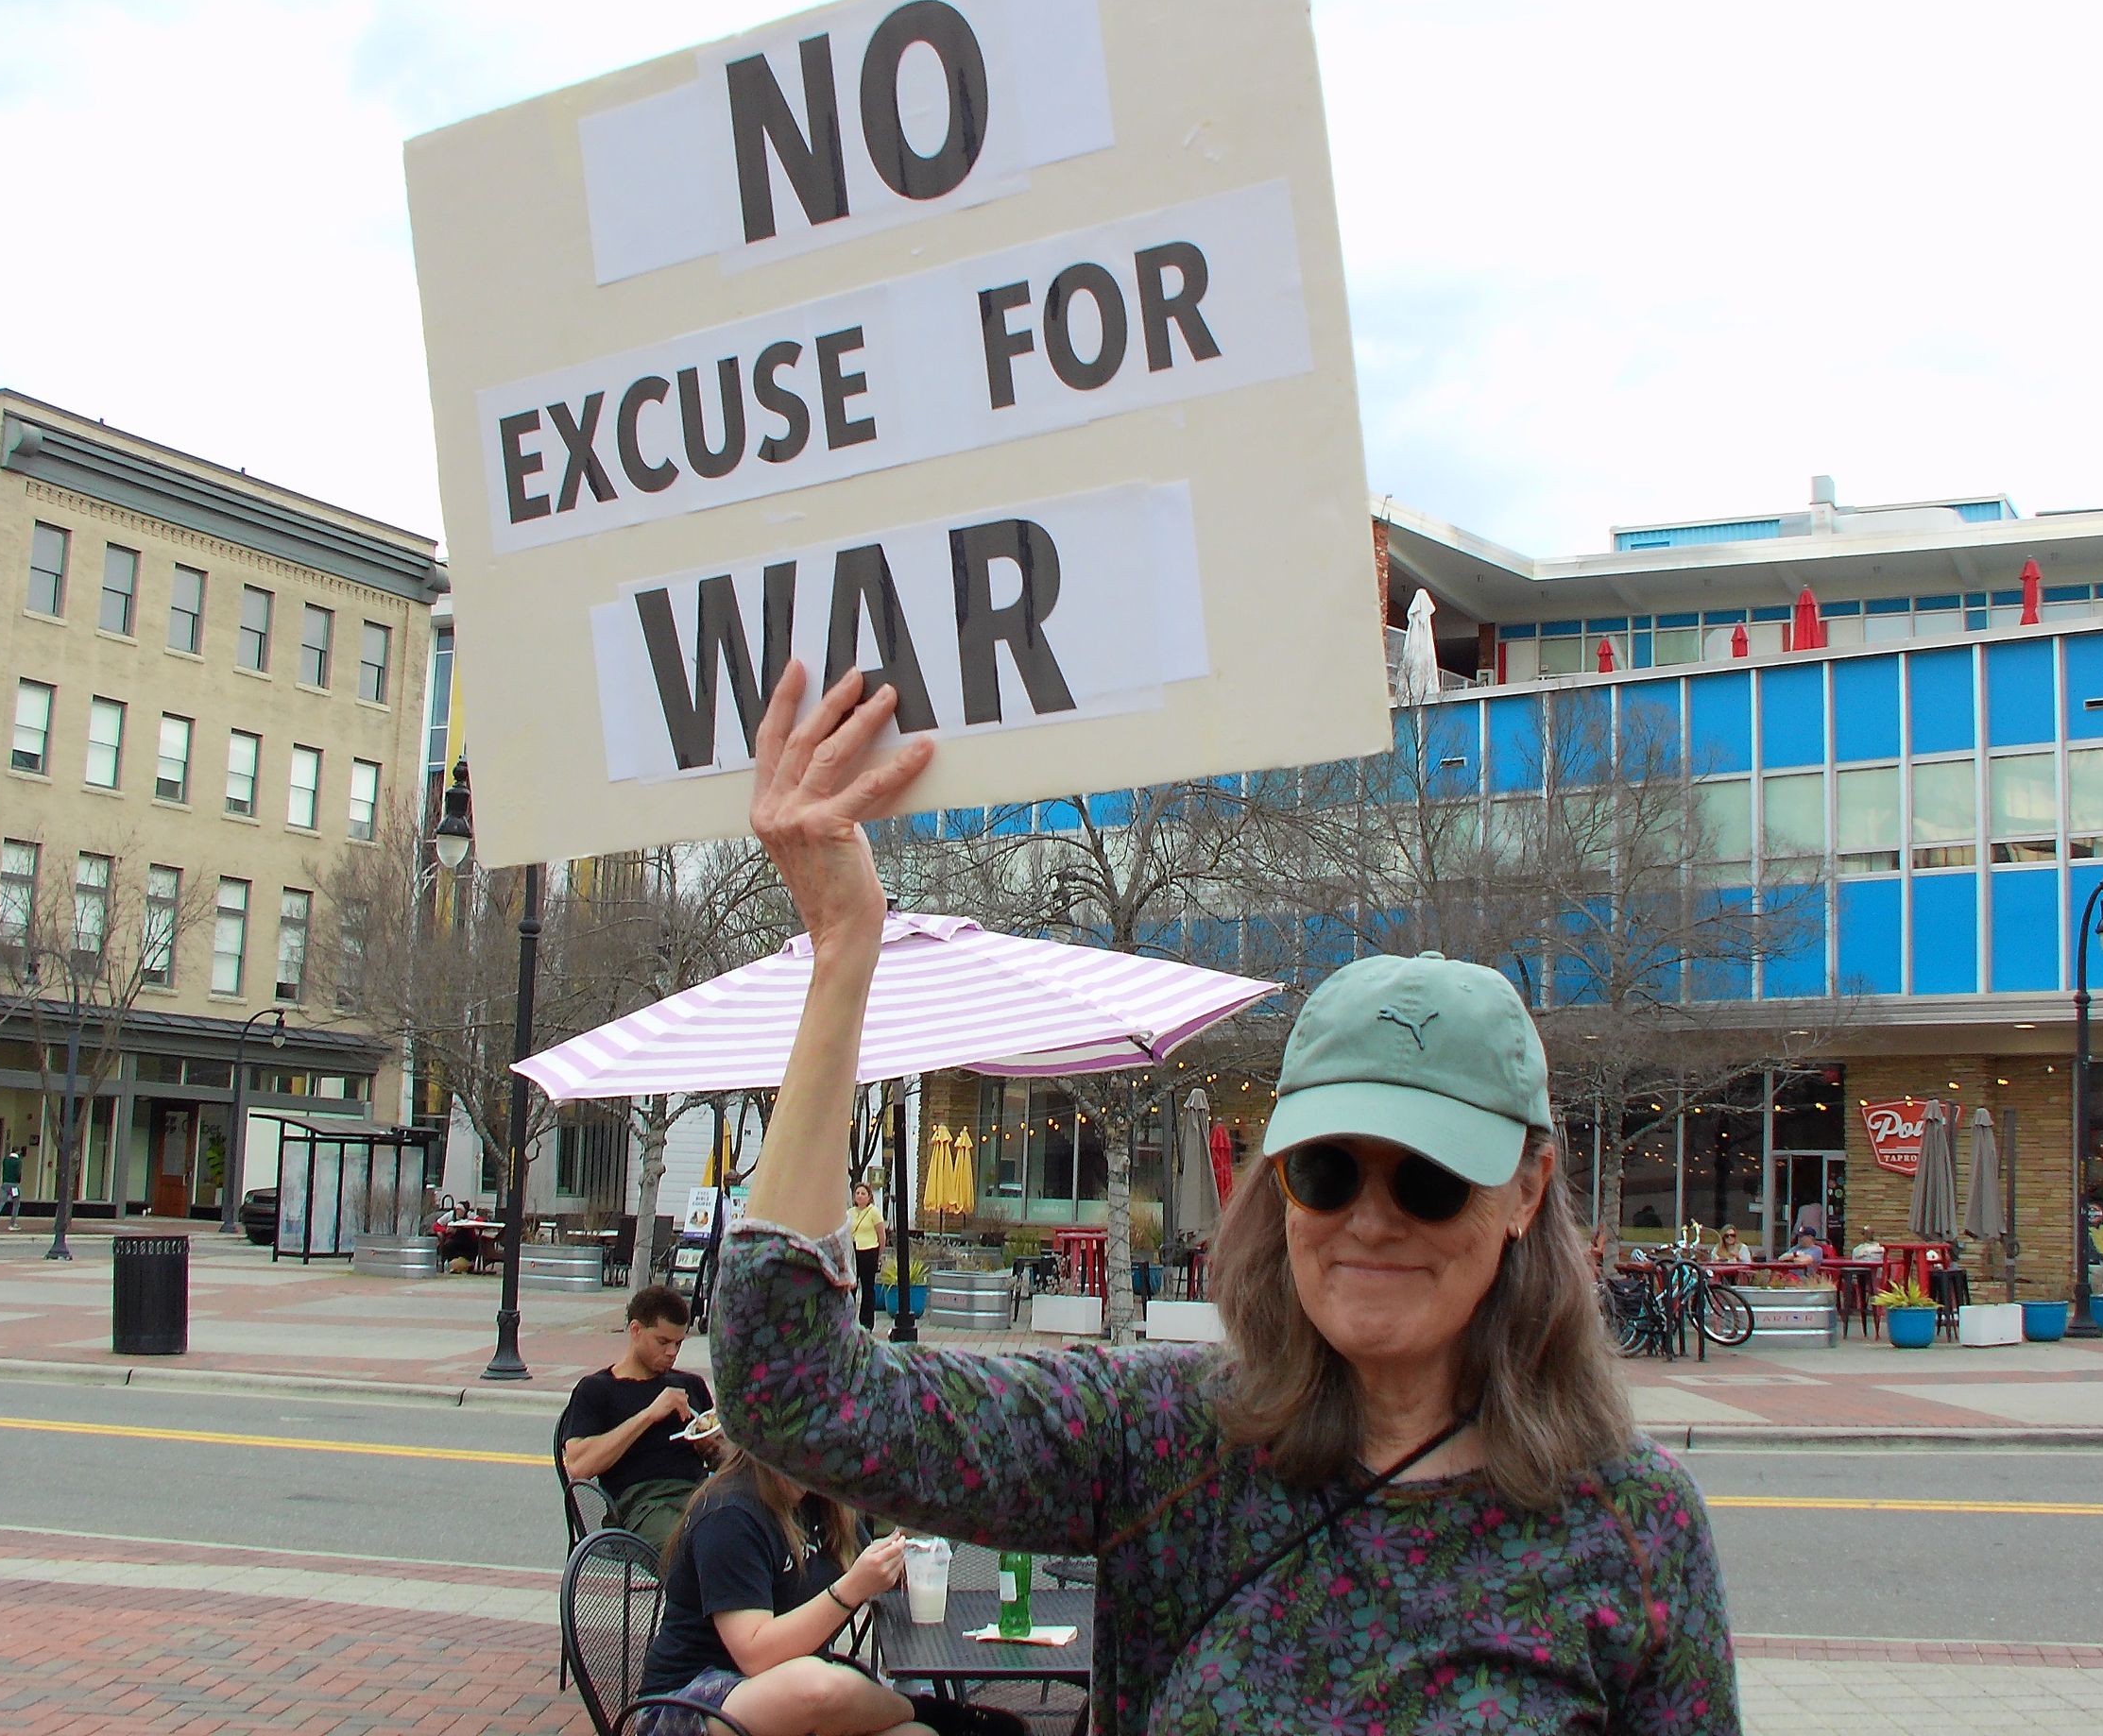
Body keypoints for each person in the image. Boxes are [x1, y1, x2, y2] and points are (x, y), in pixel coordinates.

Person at [705, 665, 1739, 1733]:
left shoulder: (1633, 1528)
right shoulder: (1169, 1443)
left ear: (1526, 1191)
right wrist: (845, 947)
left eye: (1430, 1178)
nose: (1370, 1218)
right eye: (1327, 1169)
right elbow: (795, 1394)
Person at [633, 1449, 934, 1736]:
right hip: (690, 1702)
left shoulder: (824, 1502)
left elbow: (866, 1571)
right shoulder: (729, 1513)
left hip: (785, 1699)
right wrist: (851, 1588)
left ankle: (923, 1718)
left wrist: (897, 1562)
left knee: (919, 1734)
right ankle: (927, 1710)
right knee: (817, 1684)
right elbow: (756, 1655)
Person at [562, 1285, 716, 1551]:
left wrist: (713, 1446)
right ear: (636, 1330)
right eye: (663, 1342)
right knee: (694, 1547)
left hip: (700, 1493)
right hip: (642, 1504)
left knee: (756, 1532)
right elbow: (579, 1466)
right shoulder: (598, 1389)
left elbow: (724, 1459)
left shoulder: (690, 1385)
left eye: (678, 1343)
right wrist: (649, 1415)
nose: (672, 1352)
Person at [845, 1183, 885, 1332]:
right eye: (858, 1193)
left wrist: (879, 1254)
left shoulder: (873, 1212)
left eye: (863, 1193)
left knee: (868, 1288)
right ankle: (849, 1321)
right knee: (851, 1287)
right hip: (853, 1252)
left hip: (869, 1251)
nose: (860, 1196)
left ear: (869, 1197)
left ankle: (867, 1323)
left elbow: (881, 1235)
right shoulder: (850, 1213)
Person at [0, 1148, 24, 1229]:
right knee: (16, 1204)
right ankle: (12, 1224)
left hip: (5, 1183)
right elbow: (18, 1173)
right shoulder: (18, 1161)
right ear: (17, 1152)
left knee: (1, 1203)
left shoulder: (5, 1160)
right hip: (14, 1185)